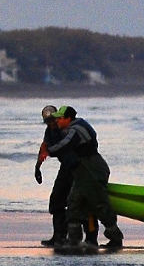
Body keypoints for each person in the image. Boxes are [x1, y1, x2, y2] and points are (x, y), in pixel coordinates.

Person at [45, 105, 124, 249]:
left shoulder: (76, 129)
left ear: (68, 118)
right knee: (74, 202)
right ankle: (74, 241)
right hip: (83, 170)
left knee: (99, 204)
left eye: (59, 118)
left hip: (93, 169)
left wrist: (49, 150)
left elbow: (63, 145)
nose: (57, 121)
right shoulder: (73, 126)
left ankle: (116, 238)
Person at [35, 105, 98, 247]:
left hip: (81, 168)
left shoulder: (70, 130)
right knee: (56, 200)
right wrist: (37, 167)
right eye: (48, 122)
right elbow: (44, 147)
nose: (52, 124)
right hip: (66, 168)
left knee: (83, 203)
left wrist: (50, 152)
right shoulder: (49, 131)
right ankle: (59, 237)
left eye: (53, 120)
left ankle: (91, 238)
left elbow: (62, 147)